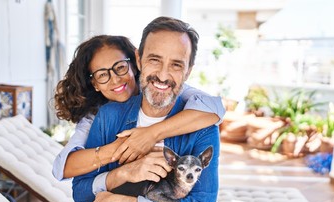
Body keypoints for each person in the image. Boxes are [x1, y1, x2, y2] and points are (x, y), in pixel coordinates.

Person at [69, 16, 222, 202]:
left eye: (176, 65)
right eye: (154, 60)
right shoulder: (109, 117)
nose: (163, 75)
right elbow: (81, 194)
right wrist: (123, 174)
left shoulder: (203, 126)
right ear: (139, 59)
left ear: (188, 71)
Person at [52, 35, 225, 181]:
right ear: (94, 83)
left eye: (120, 67)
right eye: (103, 74)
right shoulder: (98, 115)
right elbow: (62, 167)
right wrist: (119, 148)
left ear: (135, 65)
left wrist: (150, 134)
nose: (115, 79)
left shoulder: (161, 88)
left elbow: (214, 108)